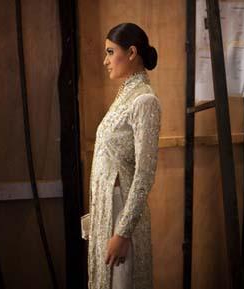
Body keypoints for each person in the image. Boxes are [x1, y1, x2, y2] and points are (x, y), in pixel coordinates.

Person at [85, 23, 161, 289]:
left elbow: (144, 173)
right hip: (108, 210)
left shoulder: (144, 101)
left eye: (110, 52)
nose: (105, 61)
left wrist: (123, 231)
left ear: (131, 53)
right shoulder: (125, 96)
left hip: (122, 213)